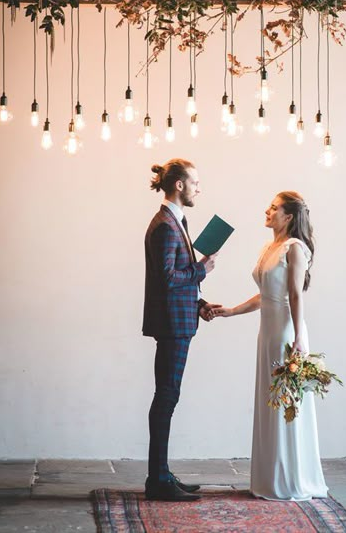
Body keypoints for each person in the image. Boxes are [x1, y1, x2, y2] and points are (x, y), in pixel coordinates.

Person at [213, 191, 328, 501]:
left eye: (274, 208)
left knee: (287, 404)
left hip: (286, 333)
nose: (267, 210)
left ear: (288, 216)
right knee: (269, 401)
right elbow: (267, 295)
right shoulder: (269, 247)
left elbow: (295, 295)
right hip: (267, 333)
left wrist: (299, 339)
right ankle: (269, 477)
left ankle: (291, 479)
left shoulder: (295, 248)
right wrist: (231, 311)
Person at [142, 158, 220, 502]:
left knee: (168, 397)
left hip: (181, 320)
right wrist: (202, 269)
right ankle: (157, 480)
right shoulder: (164, 225)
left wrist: (200, 304)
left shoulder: (176, 222)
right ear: (179, 185)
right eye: (195, 182)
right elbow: (169, 279)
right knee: (166, 398)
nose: (198, 188)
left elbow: (175, 280)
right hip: (172, 326)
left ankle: (161, 474)